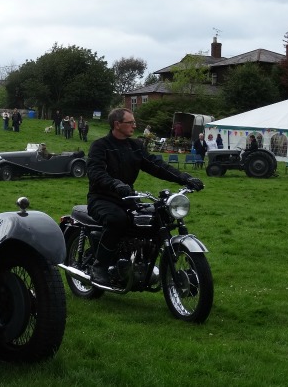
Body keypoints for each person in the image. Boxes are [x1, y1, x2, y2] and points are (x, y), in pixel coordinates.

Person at [86, 108, 203, 284]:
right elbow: (96, 172)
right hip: (102, 198)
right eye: (130, 122)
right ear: (117, 124)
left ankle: (140, 263)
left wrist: (185, 178)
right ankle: (99, 266)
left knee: (156, 219)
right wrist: (116, 184)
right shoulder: (101, 146)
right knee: (117, 220)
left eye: (134, 122)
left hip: (128, 198)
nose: (134, 125)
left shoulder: (135, 146)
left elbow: (157, 165)